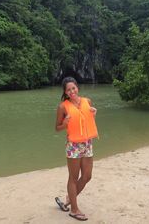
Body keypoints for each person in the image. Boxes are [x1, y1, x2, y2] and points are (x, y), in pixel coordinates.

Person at [55, 77, 98, 221]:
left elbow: (86, 120)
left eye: (73, 88)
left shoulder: (88, 101)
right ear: (65, 92)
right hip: (73, 146)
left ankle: (69, 199)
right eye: (68, 90)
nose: (72, 91)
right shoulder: (63, 107)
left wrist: (93, 114)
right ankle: (74, 209)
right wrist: (65, 123)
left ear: (77, 88)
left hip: (87, 143)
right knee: (73, 177)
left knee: (87, 176)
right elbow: (57, 128)